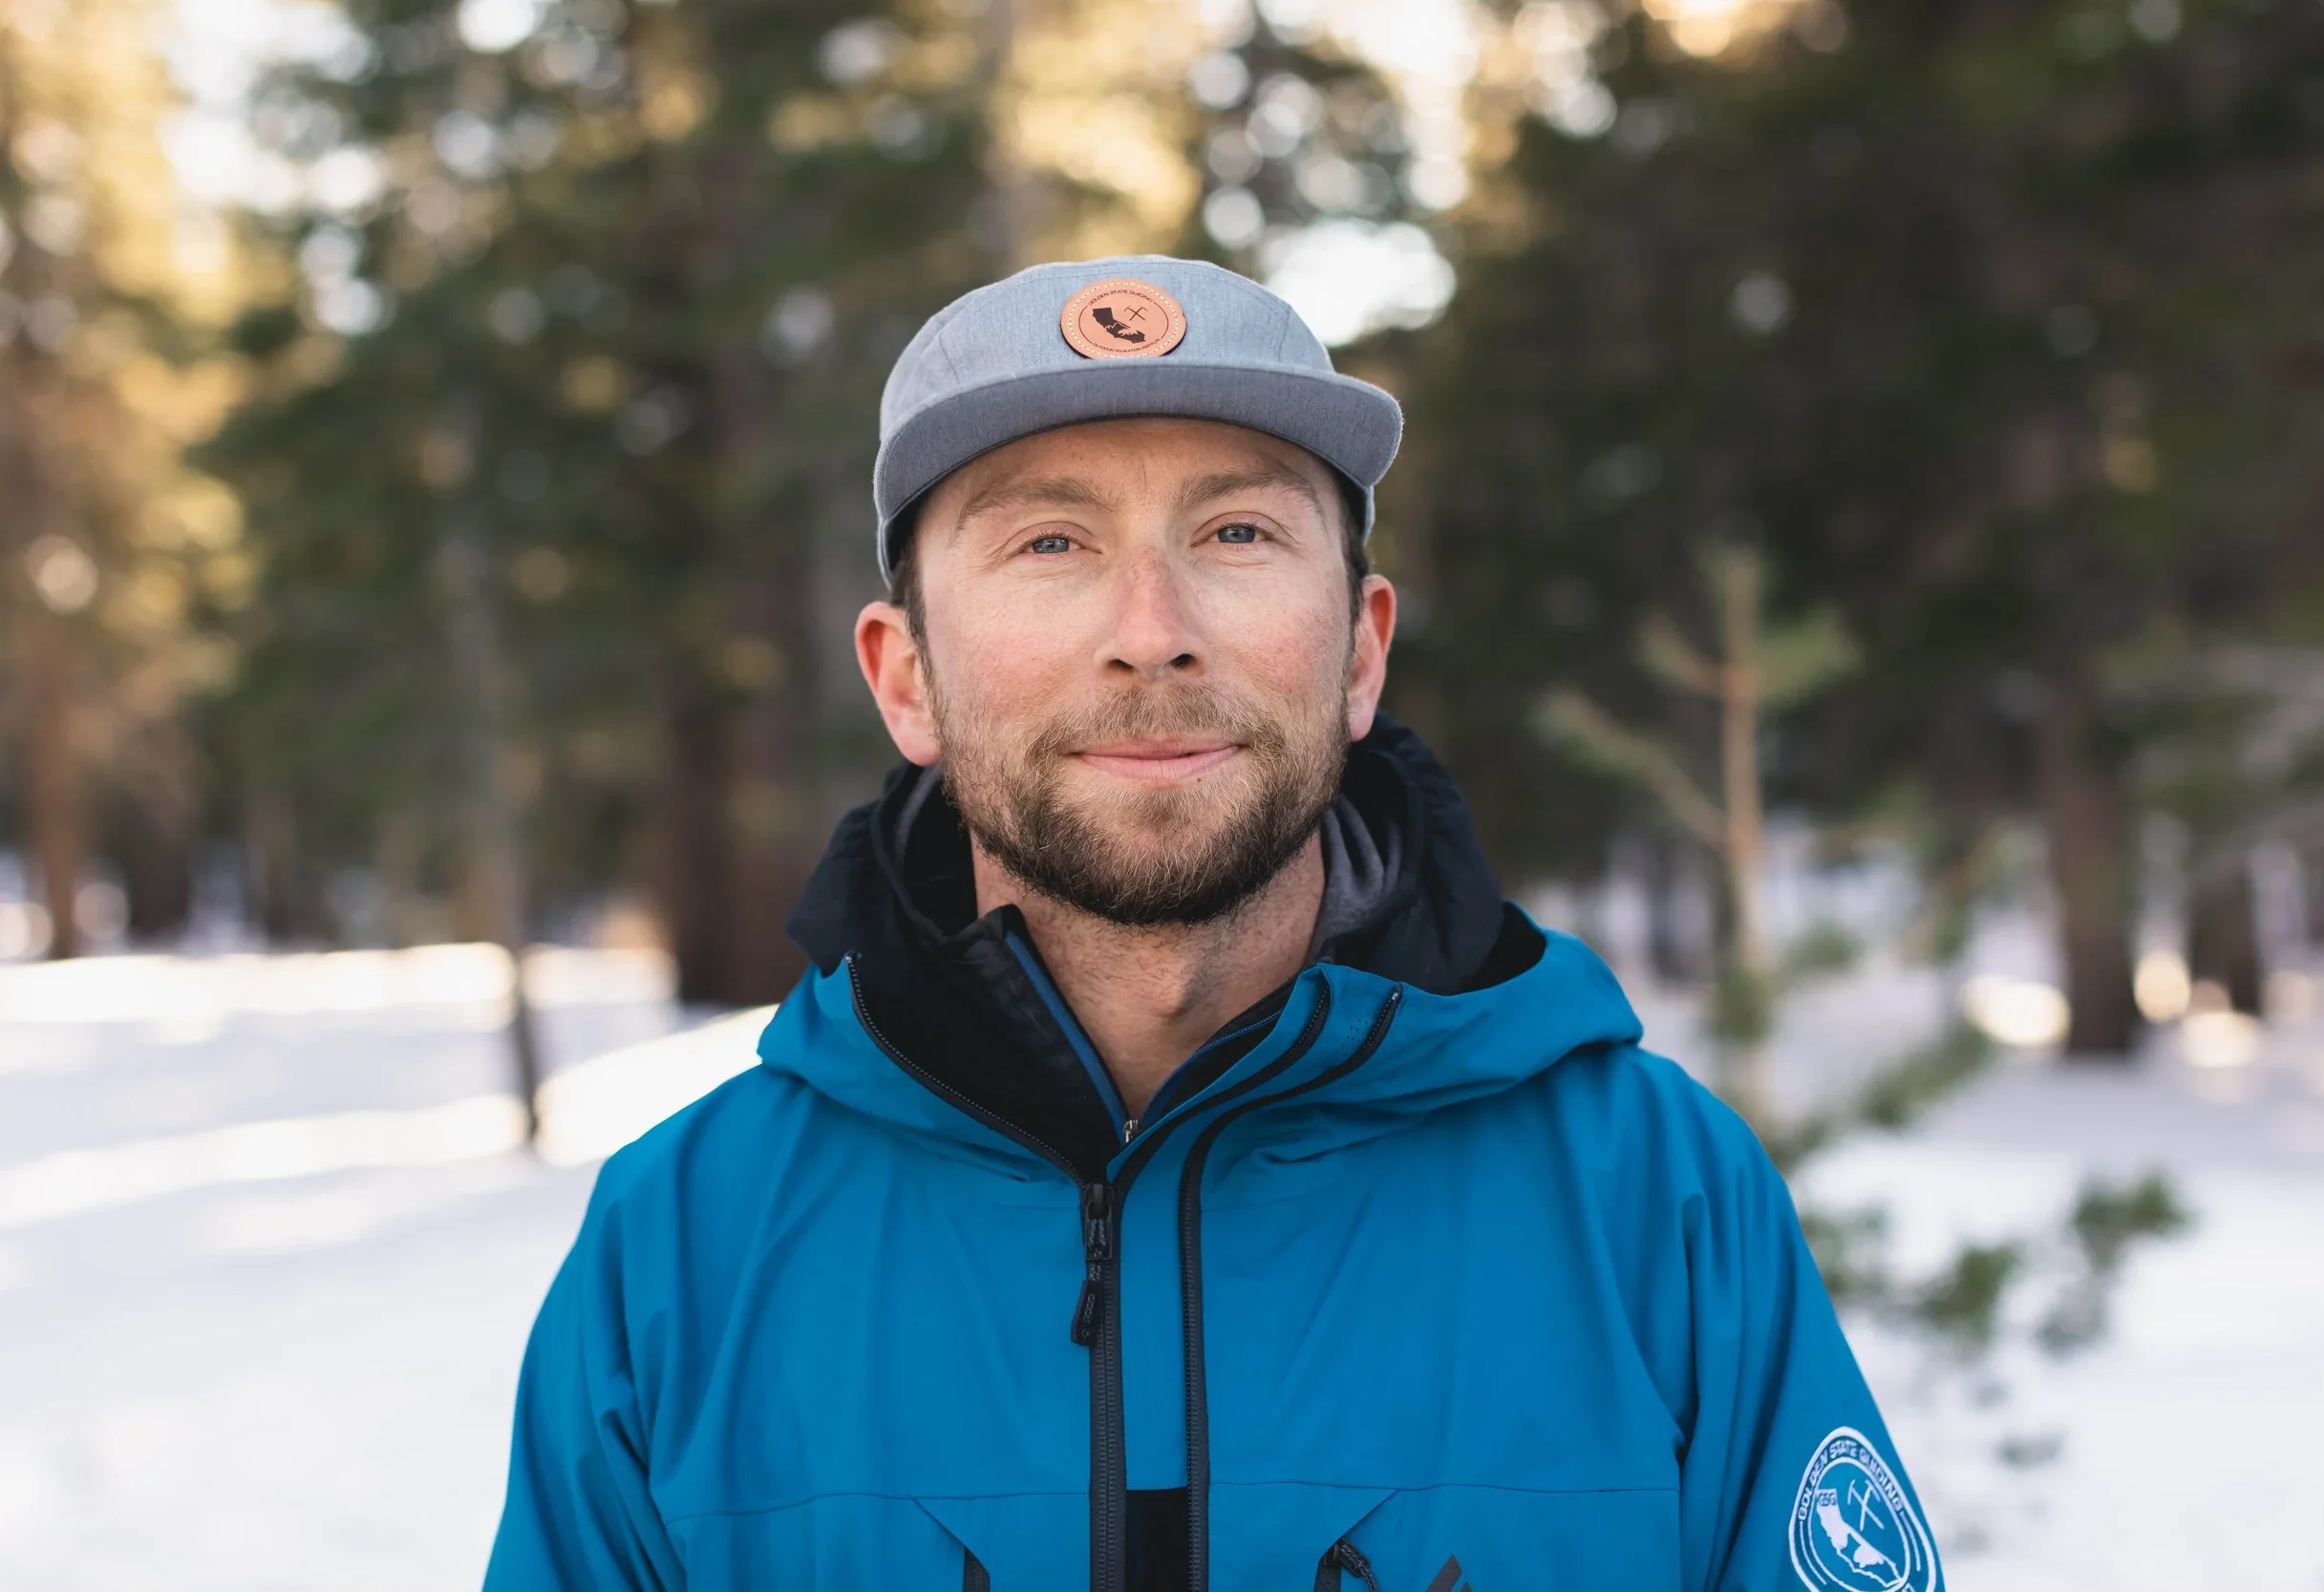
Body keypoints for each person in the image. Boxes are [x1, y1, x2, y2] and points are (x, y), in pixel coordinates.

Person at [484, 257, 1939, 1592]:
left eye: (1237, 530)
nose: (1152, 629)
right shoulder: (685, 1252)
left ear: (1360, 650)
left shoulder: (1651, 1203)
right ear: (907, 679)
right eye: (1049, 541)